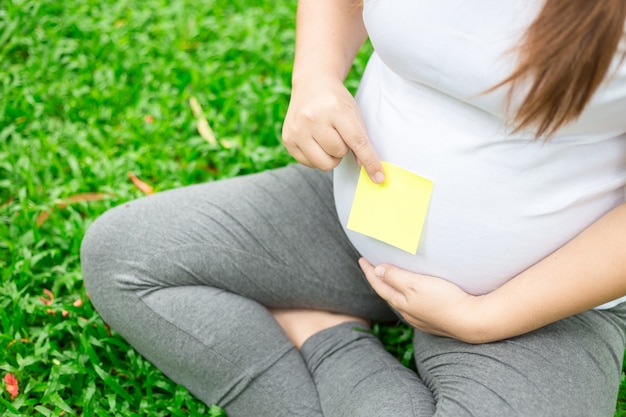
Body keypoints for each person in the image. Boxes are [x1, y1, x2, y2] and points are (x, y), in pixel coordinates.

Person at [80, 0, 626, 415]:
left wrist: (485, 318)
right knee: (123, 258)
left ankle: (318, 333)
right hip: (356, 219)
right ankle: (330, 332)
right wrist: (314, 77)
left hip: (540, 302)